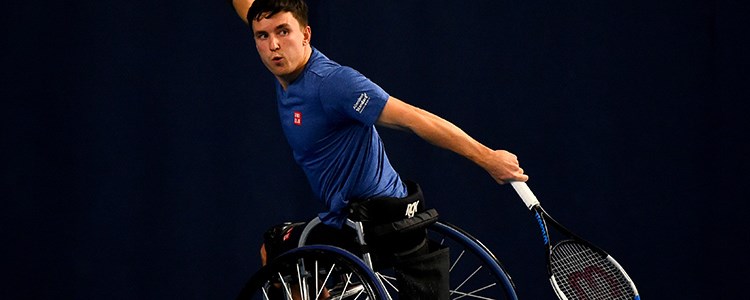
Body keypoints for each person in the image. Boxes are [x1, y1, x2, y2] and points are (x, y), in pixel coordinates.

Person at [228, 0, 528, 298]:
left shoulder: (334, 84)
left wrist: (488, 157)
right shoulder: (283, 60)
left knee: (277, 245)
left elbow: (416, 120)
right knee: (302, 272)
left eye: (283, 32)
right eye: (263, 36)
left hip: (368, 222)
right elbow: (252, 10)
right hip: (387, 212)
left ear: (306, 35)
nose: (274, 46)